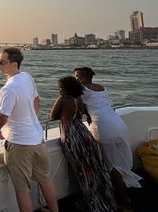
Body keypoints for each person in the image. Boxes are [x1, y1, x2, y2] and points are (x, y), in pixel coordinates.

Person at [0, 47, 58, 212]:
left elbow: (1, 119)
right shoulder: (26, 77)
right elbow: (36, 100)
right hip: (37, 139)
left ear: (14, 64)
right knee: (45, 179)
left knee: (21, 191)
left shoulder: (8, 89)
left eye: (2, 62)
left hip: (19, 143)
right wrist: (28, 118)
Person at [74, 67, 141, 212]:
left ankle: (125, 203)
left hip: (104, 128)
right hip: (118, 124)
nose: (75, 80)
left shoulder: (82, 91)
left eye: (77, 77)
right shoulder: (100, 88)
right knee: (120, 161)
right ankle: (121, 194)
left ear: (84, 79)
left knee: (112, 166)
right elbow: (100, 104)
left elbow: (80, 109)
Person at [50, 76, 117, 212]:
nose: (59, 89)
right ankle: (103, 197)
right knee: (93, 167)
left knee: (81, 170)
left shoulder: (62, 100)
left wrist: (62, 116)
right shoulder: (78, 99)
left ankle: (91, 202)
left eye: (60, 87)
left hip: (71, 135)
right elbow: (82, 112)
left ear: (64, 89)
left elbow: (53, 116)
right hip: (83, 132)